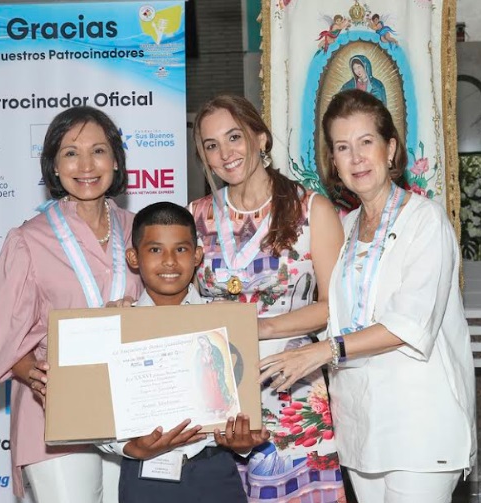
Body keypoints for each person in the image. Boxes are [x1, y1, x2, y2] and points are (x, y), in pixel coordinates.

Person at [258, 89, 477, 503]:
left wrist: (322, 351)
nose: (356, 158)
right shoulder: (347, 225)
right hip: (359, 424)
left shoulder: (424, 221)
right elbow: (330, 309)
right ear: (333, 162)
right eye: (343, 147)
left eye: (366, 142)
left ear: (390, 149)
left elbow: (409, 323)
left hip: (419, 423)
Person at [188, 95, 347, 502]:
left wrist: (264, 327)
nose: (225, 153)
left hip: (289, 380)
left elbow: (334, 306)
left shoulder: (312, 210)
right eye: (211, 145)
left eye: (234, 137)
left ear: (260, 138)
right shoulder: (194, 217)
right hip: (216, 385)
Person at [0, 106, 142, 501]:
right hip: (55, 411)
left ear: (116, 160)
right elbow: (8, 342)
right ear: (53, 166)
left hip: (132, 407)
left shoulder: (139, 230)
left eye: (99, 151)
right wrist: (34, 376)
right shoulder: (28, 240)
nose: (86, 165)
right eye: (71, 152)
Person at [98, 201, 270, 502]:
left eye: (180, 249)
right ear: (133, 258)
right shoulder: (116, 327)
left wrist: (242, 442)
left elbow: (241, 406)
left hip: (215, 471)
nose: (169, 261)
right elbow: (95, 413)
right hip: (145, 476)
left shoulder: (226, 324)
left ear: (197, 256)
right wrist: (130, 447)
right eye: (154, 250)